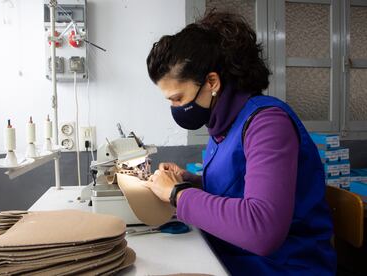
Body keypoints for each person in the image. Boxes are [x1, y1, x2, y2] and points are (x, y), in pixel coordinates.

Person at [144, 11, 337, 275]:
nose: (175, 107)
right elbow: (240, 188)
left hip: (282, 267)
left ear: (212, 82)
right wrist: (190, 182)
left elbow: (262, 229)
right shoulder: (223, 125)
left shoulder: (267, 125)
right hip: (235, 257)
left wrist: (177, 195)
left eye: (178, 98)